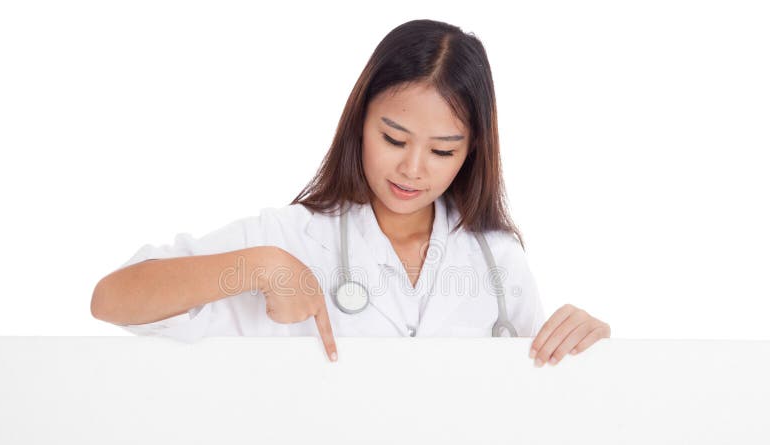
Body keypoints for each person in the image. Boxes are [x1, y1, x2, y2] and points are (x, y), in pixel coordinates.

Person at [90, 19, 610, 367]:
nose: (412, 169)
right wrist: (260, 268)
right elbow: (112, 299)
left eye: (443, 151)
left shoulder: (497, 263)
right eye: (393, 138)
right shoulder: (290, 237)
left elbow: (544, 405)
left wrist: (590, 347)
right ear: (358, 121)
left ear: (474, 150)